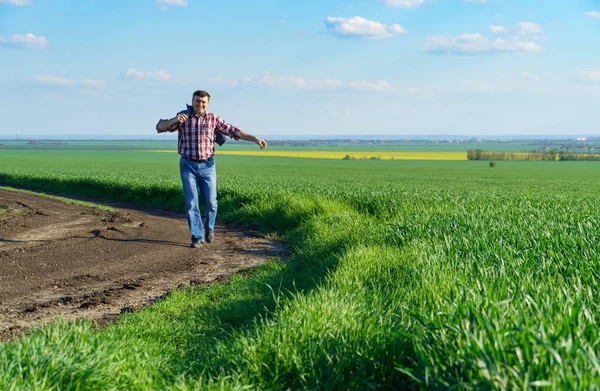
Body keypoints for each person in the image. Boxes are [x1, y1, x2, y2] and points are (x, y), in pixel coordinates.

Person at [156, 90, 267, 248]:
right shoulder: (183, 116)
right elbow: (160, 127)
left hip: (208, 165)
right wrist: (174, 120)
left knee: (211, 203)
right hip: (188, 165)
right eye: (197, 101)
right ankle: (197, 237)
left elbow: (233, 131)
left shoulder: (213, 119)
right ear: (192, 101)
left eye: (203, 102)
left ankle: (209, 228)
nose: (200, 104)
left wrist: (255, 139)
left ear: (207, 104)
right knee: (191, 202)